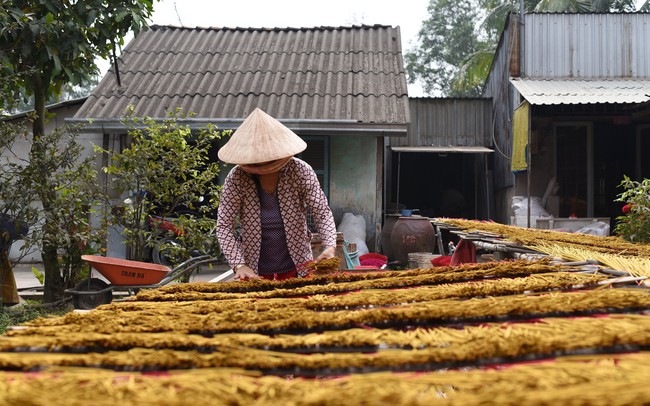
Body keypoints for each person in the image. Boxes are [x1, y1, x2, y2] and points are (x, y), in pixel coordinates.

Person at [216, 108, 337, 281]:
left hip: (298, 267)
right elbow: (223, 226)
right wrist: (239, 265)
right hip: (254, 271)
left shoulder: (300, 171)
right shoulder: (237, 178)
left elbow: (322, 212)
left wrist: (330, 246)